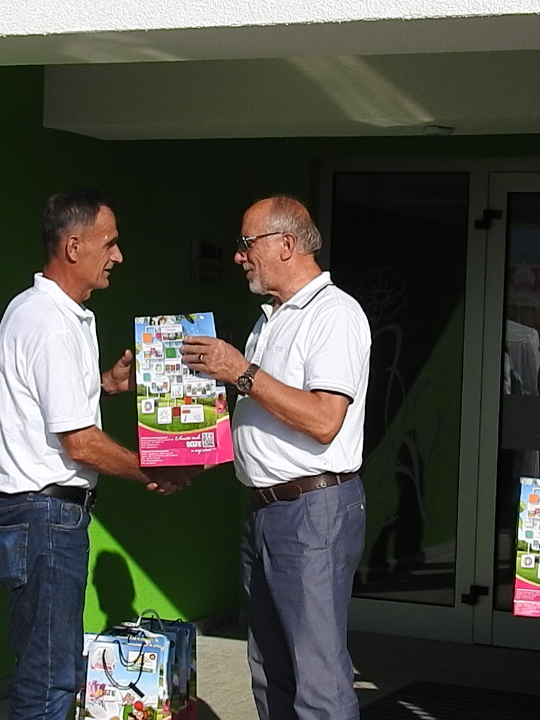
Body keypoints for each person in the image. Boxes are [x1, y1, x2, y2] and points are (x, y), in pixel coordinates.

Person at [0, 190, 194, 720]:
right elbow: (78, 442)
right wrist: (156, 466)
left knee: (47, 668)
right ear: (74, 246)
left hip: (38, 517)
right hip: (44, 518)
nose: (118, 255)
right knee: (50, 680)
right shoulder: (50, 322)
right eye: (110, 243)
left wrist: (104, 385)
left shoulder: (51, 313)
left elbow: (45, 407)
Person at [181, 195, 371, 720]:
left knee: (317, 679)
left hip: (312, 511)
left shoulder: (334, 314)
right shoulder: (270, 319)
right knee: (270, 670)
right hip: (267, 511)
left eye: (247, 244)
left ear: (286, 244)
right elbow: (261, 417)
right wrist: (184, 452)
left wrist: (241, 372)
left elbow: (324, 419)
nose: (239, 256)